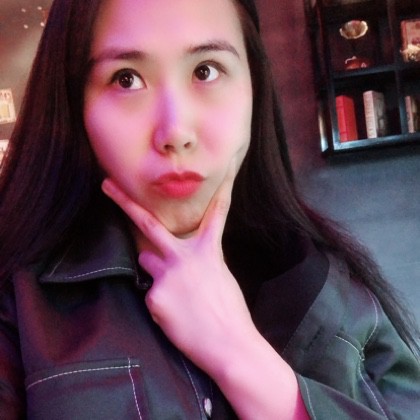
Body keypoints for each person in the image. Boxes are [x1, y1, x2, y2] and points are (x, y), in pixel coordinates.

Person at [0, 0, 419, 418]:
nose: (175, 131)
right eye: (126, 79)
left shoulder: (332, 287)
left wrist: (237, 353)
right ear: (74, 103)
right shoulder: (19, 308)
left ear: (255, 86)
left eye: (206, 70)